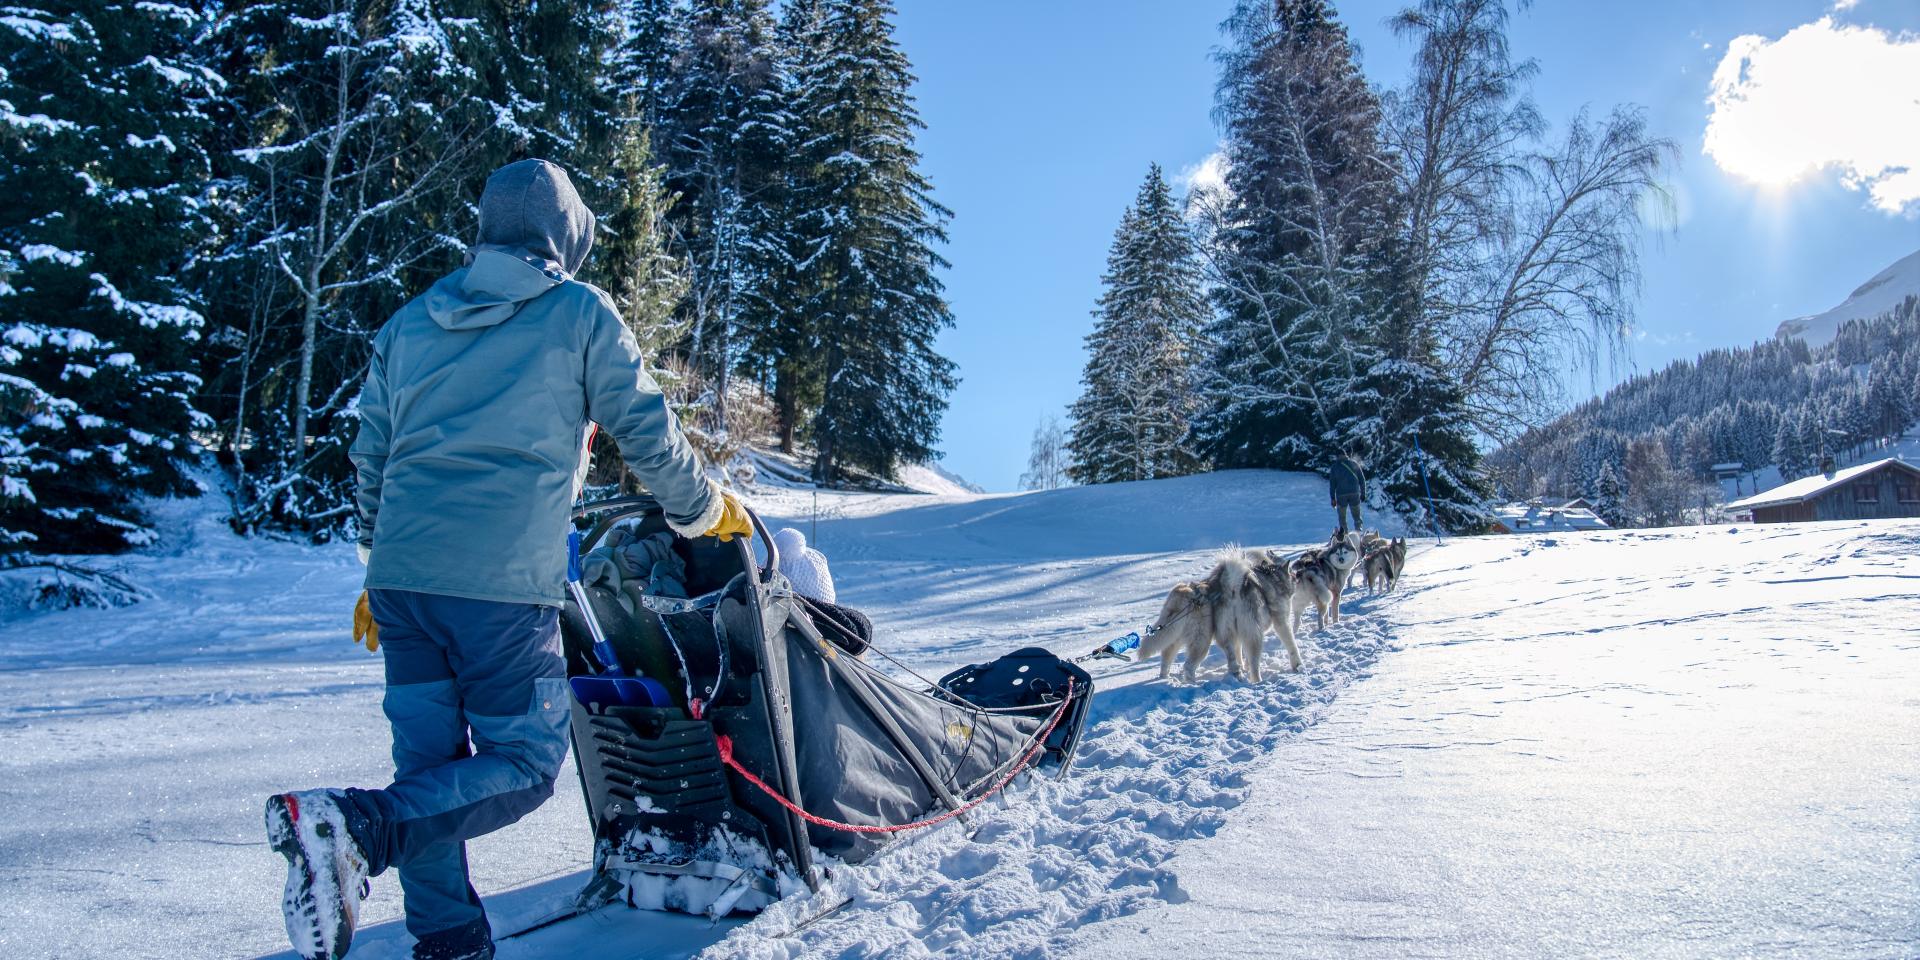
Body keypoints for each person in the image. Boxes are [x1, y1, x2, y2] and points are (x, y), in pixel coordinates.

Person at [264, 159, 751, 960]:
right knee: (523, 764)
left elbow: (372, 460)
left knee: (427, 765)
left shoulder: (410, 323)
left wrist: (371, 562)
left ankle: (448, 938)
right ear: (565, 238)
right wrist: (701, 509)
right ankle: (355, 826)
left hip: (403, 583)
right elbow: (646, 427)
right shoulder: (577, 313)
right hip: (499, 588)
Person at [1329, 447, 1366, 535]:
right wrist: (1363, 493)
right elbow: (1362, 480)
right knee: (1357, 517)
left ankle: (1345, 536)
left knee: (1342, 518)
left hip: (1341, 495)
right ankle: (1359, 534)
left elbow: (1332, 485)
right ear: (1345, 454)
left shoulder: (1334, 467)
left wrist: (1333, 498)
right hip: (1355, 493)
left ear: (1337, 456)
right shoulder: (1354, 463)